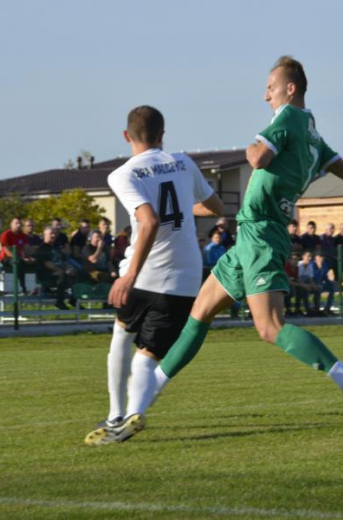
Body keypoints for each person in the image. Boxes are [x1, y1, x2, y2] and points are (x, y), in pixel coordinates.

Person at [96, 57, 343, 443]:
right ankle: (137, 410)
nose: (265, 94)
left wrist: (257, 142)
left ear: (290, 89)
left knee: (269, 328)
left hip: (263, 234)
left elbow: (256, 157)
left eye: (270, 86)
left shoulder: (289, 120)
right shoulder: (313, 134)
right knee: (199, 314)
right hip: (250, 236)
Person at [84, 105, 224, 445]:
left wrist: (129, 274)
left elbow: (148, 220)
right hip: (185, 278)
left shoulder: (122, 174)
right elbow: (216, 208)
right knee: (148, 355)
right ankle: (134, 414)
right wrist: (183, 212)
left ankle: (117, 414)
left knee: (121, 336)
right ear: (162, 135)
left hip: (145, 274)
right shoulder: (184, 162)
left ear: (126, 136)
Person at [34, 226, 78, 309]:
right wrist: (63, 270)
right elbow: (47, 264)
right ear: (45, 235)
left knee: (76, 272)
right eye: (51, 233)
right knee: (62, 274)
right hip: (46, 274)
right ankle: (59, 302)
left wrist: (69, 268)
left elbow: (62, 261)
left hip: (58, 273)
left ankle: (73, 299)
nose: (53, 235)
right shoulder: (42, 249)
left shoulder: (56, 248)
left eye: (54, 233)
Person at [0, 217, 34, 294]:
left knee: (37, 263)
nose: (18, 225)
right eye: (16, 223)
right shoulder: (6, 234)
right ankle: (22, 288)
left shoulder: (22, 235)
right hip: (7, 258)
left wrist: (29, 257)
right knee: (18, 263)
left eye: (19, 223)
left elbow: (26, 248)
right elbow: (8, 252)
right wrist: (22, 259)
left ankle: (41, 288)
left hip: (20, 257)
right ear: (11, 224)